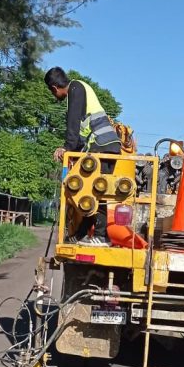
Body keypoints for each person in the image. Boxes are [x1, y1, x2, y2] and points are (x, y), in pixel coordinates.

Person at [45, 66, 121, 246]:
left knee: (95, 189)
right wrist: (74, 149)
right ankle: (80, 234)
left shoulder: (75, 89)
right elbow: (81, 133)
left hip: (102, 145)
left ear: (54, 88)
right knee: (92, 190)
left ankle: (102, 236)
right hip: (103, 145)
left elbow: (73, 123)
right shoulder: (79, 89)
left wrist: (66, 148)